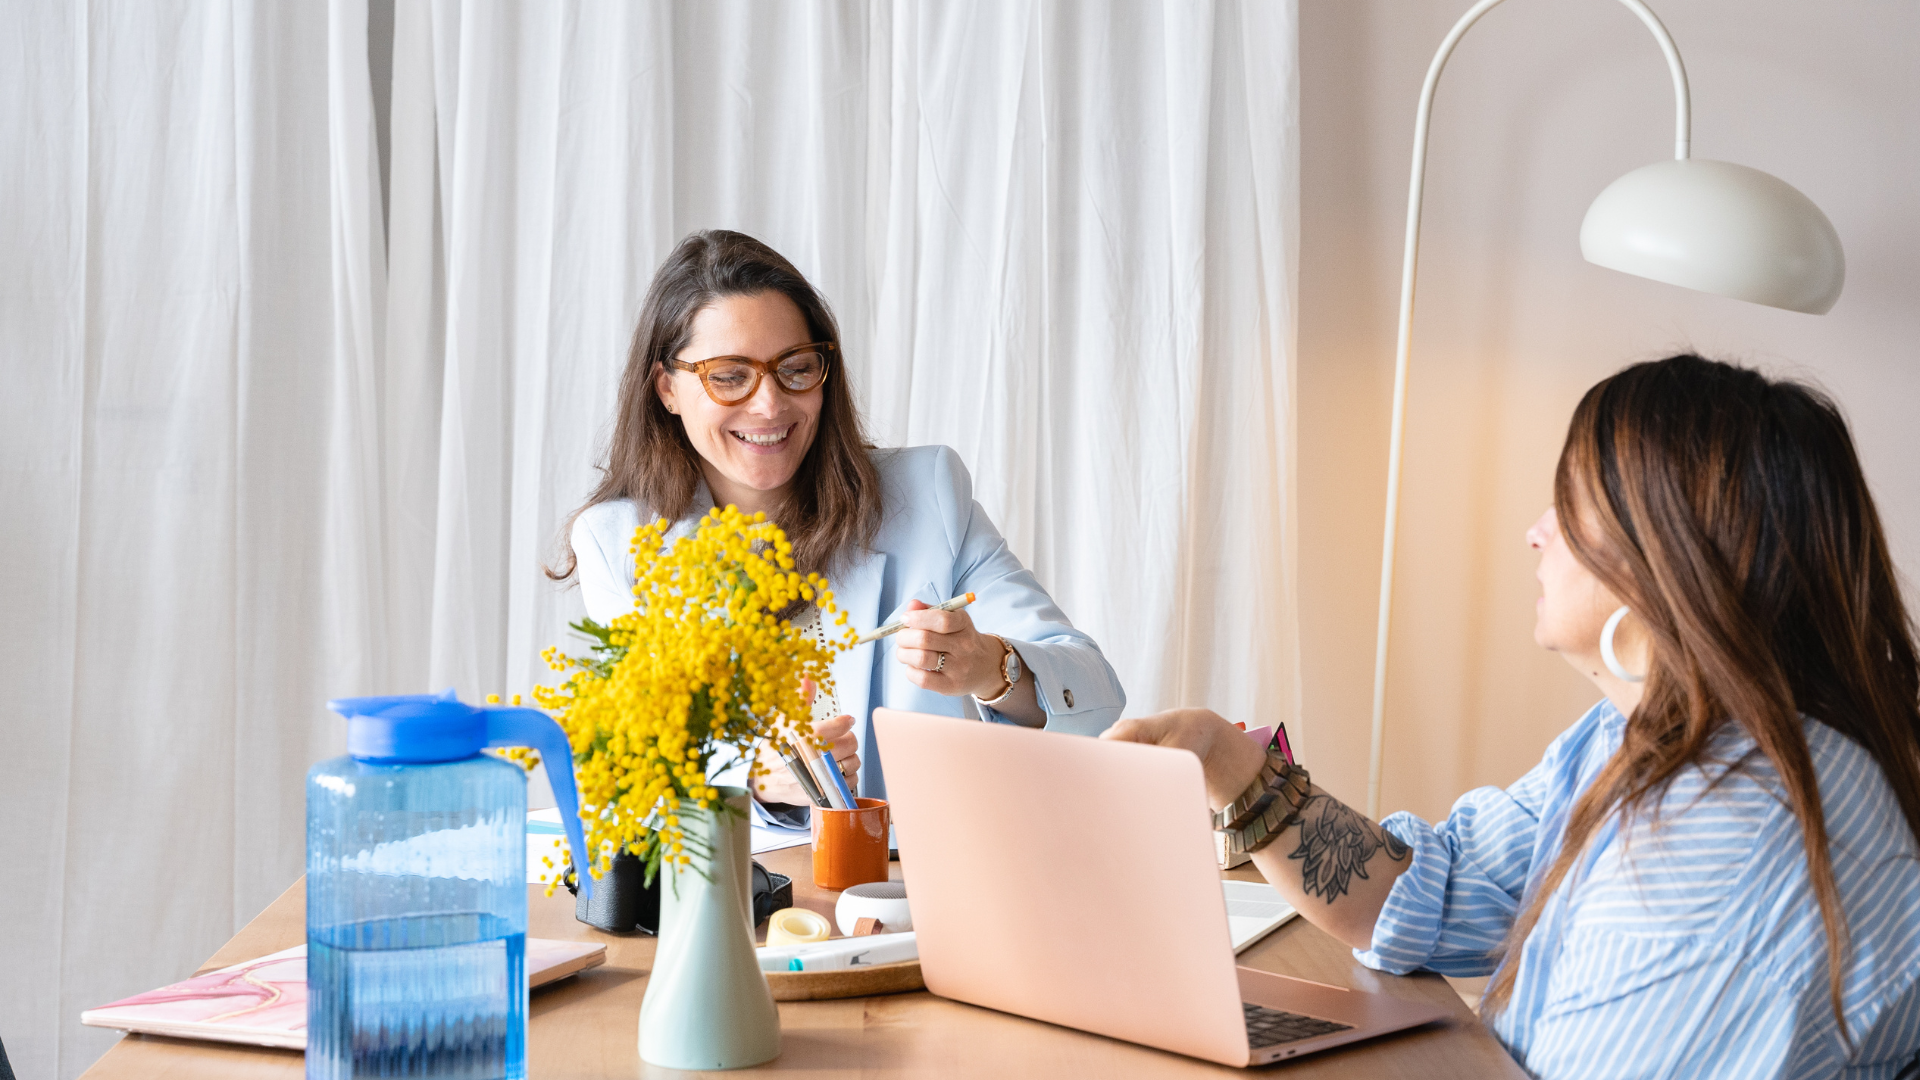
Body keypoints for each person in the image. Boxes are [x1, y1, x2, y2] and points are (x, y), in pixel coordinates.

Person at [1107, 356, 1920, 1078]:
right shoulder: (1641, 735)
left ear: (1672, 557)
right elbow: (1429, 890)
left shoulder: (1727, 847)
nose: (1536, 532)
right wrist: (1230, 764)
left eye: (1570, 503)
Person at [554, 229, 1124, 823]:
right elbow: (639, 765)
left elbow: (1097, 697)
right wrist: (753, 774)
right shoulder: (619, 543)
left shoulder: (925, 494)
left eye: (796, 368)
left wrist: (990, 666)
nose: (770, 404)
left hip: (912, 873)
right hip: (749, 877)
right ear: (667, 388)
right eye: (729, 376)